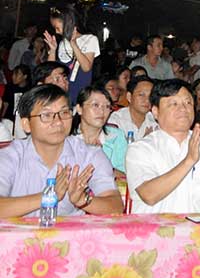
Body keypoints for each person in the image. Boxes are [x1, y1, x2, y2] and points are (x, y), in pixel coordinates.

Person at [0, 84, 123, 217]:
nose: (58, 122)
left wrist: (84, 201)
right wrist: (49, 196)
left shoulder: (90, 154)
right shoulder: (10, 156)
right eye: (47, 115)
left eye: (64, 113)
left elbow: (116, 205)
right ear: (26, 124)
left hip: (70, 230)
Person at [125, 78, 200, 213]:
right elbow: (149, 195)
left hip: (198, 226)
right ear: (155, 111)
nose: (183, 109)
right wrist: (189, 161)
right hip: (156, 226)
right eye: (174, 103)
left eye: (188, 102)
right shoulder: (140, 149)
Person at [43, 5, 100, 105]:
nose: (56, 31)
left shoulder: (90, 39)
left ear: (67, 23)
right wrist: (52, 50)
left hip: (80, 92)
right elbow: (51, 70)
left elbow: (86, 67)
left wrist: (73, 44)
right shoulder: (62, 43)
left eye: (57, 27)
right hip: (62, 92)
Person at [73, 85, 129, 172]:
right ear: (79, 109)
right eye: (95, 105)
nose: (102, 111)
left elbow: (124, 173)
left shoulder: (116, 136)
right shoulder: (67, 137)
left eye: (107, 106)